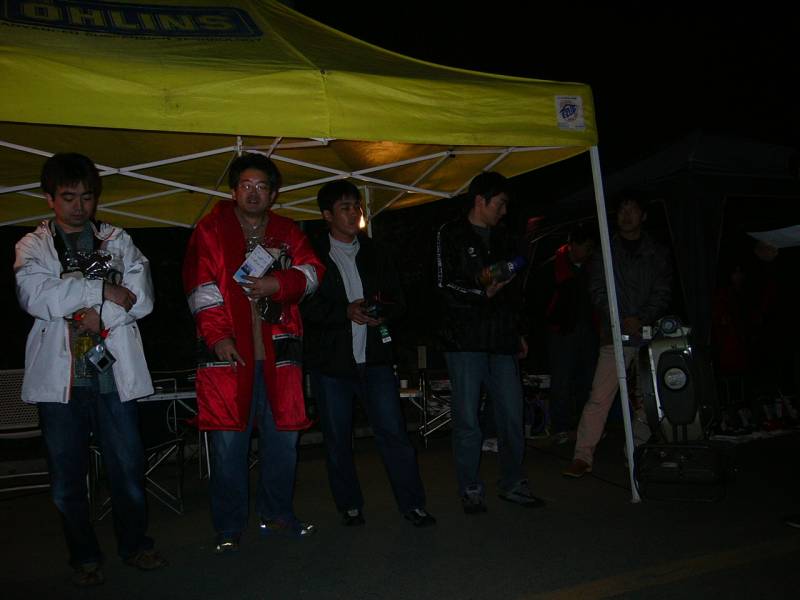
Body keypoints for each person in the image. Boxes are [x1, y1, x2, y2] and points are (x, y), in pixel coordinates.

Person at [14, 153, 166, 587]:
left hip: (112, 378)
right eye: (68, 197)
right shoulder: (32, 246)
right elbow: (36, 297)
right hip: (60, 385)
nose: (79, 206)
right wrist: (102, 290)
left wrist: (98, 314)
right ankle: (84, 557)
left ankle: (135, 545)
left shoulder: (118, 240)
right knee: (66, 479)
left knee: (128, 469)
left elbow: (142, 298)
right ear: (49, 199)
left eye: (86, 197)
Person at [182, 153, 325, 552]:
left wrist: (278, 284)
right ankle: (229, 525)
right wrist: (218, 337)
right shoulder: (210, 230)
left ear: (273, 194)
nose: (253, 192)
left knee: (283, 442)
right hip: (230, 357)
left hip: (279, 357)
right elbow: (200, 287)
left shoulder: (287, 231)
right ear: (233, 191)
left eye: (262, 186)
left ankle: (277, 513)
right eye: (246, 185)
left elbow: (313, 272)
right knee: (229, 445)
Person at [301, 180, 435, 528]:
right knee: (337, 439)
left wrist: (381, 312)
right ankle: (349, 504)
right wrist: (344, 312)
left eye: (357, 206)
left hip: (375, 359)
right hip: (332, 363)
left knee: (394, 433)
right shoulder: (311, 254)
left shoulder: (376, 251)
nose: (354, 213)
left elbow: (398, 301)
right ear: (327, 215)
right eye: (345, 207)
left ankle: (413, 504)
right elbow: (304, 307)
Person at [435, 171, 544, 513]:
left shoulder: (505, 238)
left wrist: (519, 331)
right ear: (480, 200)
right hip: (465, 340)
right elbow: (443, 285)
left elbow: (516, 291)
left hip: (502, 339)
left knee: (512, 415)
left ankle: (513, 483)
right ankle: (470, 488)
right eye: (500, 203)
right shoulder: (450, 233)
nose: (504, 211)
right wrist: (481, 293)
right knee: (468, 418)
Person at [562, 191, 672, 478]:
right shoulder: (605, 251)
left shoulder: (657, 252)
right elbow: (597, 289)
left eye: (632, 209)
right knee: (600, 396)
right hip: (614, 334)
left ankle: (636, 452)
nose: (627, 215)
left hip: (648, 334)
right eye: (622, 210)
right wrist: (620, 318)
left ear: (643, 216)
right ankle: (582, 455)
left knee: (648, 398)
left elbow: (663, 291)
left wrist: (642, 317)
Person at [542, 222, 598, 444]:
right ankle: (561, 427)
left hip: (588, 329)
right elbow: (541, 302)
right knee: (561, 380)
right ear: (572, 244)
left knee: (588, 380)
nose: (588, 250)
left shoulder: (594, 267)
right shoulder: (553, 267)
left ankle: (585, 427)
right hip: (561, 331)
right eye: (585, 245)